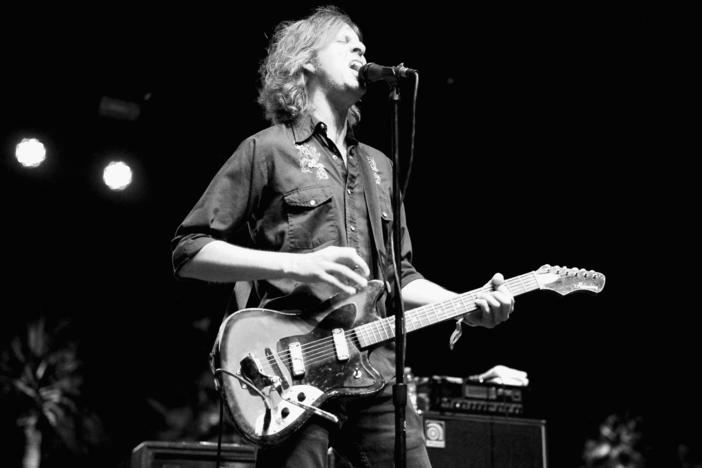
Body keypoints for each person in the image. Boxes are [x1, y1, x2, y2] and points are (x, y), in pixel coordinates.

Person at [170, 5, 514, 467]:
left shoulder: (379, 167)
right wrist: (297, 264)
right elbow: (189, 250)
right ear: (306, 61)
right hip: (293, 372)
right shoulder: (267, 149)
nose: (361, 49)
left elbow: (400, 277)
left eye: (363, 44)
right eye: (345, 41)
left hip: (376, 373)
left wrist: (465, 304)